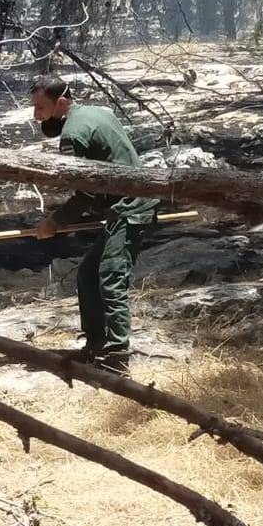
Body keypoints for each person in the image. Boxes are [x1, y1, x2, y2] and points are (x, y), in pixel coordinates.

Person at [30, 78, 159, 374]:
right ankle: (95, 345)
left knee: (111, 279)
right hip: (125, 205)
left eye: (41, 108)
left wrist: (53, 223)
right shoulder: (98, 111)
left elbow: (84, 195)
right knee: (88, 275)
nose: (36, 116)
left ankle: (117, 357)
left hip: (130, 208)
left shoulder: (73, 134)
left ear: (61, 103)